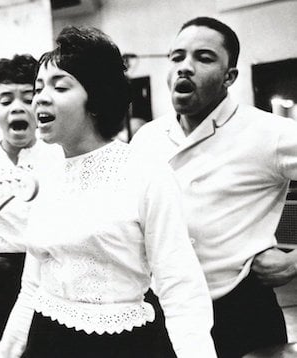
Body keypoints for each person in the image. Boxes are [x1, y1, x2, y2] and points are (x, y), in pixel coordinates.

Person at [0, 26, 216, 358]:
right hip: (47, 340)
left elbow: (180, 287)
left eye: (60, 86)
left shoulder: (145, 172)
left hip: (123, 344)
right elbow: (32, 288)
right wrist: (6, 352)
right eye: (38, 88)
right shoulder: (44, 174)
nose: (39, 97)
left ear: (96, 97)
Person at [131, 16, 297, 357]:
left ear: (229, 76)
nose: (185, 68)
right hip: (163, 311)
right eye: (177, 57)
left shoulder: (269, 133)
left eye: (203, 58)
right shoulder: (147, 138)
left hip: (241, 310)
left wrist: (296, 261)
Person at [0, 54, 62, 358]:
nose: (17, 106)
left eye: (28, 98)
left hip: (49, 277)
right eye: (5, 100)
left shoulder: (57, 155)